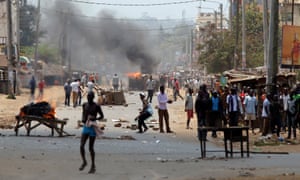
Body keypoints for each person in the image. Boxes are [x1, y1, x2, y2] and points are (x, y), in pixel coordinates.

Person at [79, 91, 104, 174]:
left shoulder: (96, 106)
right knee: (81, 145)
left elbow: (102, 116)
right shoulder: (84, 105)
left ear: (93, 97)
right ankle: (84, 161)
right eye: (88, 96)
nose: (89, 97)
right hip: (86, 126)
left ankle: (93, 165)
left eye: (90, 96)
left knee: (90, 148)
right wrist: (83, 119)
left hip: (92, 127)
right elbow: (83, 113)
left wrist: (95, 119)